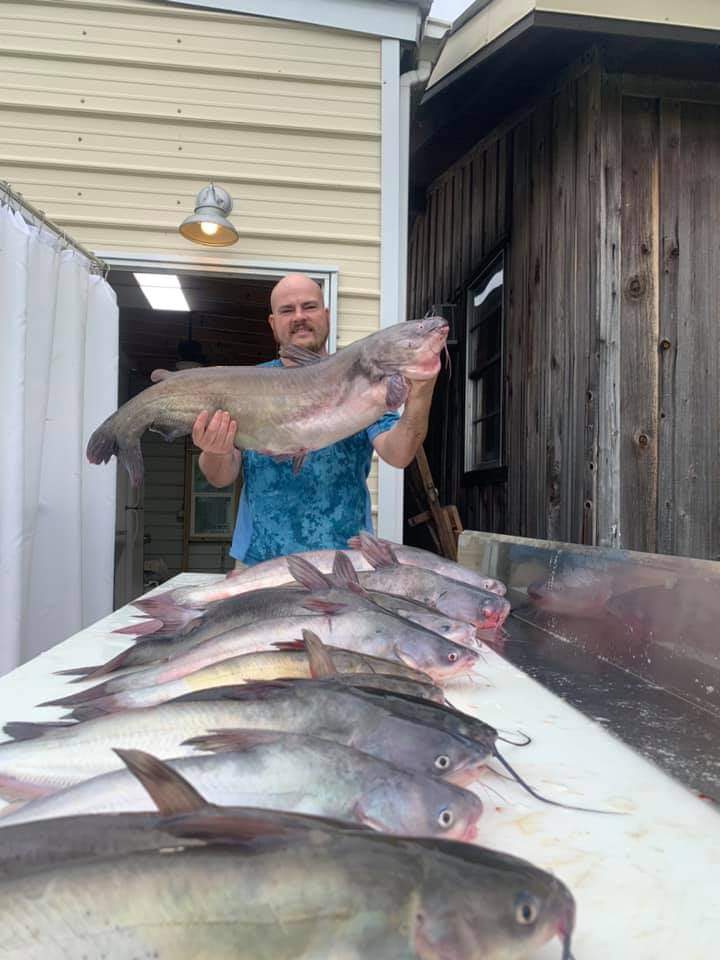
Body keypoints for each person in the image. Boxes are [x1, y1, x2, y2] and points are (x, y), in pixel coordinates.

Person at [192, 273, 438, 567]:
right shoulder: (244, 385)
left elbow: (398, 454)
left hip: (345, 563)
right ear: (273, 323)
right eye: (287, 310)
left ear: (326, 315)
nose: (299, 317)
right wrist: (214, 449)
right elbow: (220, 476)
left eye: (309, 306)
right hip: (260, 562)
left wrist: (421, 393)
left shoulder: (362, 376)